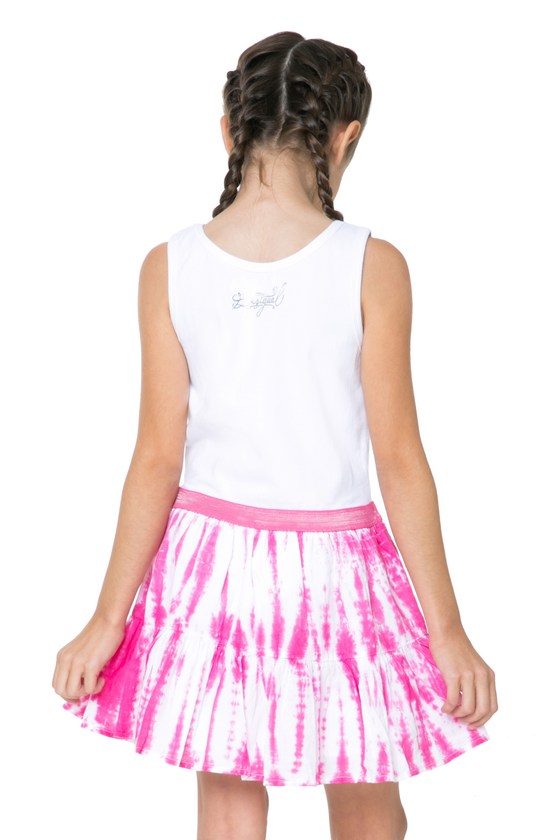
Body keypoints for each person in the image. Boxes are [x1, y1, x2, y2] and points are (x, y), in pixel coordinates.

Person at [52, 31, 497, 840]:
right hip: (337, 569)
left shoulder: (169, 266)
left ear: (229, 129)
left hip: (211, 568)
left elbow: (155, 458)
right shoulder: (373, 264)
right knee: (366, 797)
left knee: (228, 808)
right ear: (345, 137)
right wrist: (448, 632)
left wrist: (107, 619)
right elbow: (399, 460)